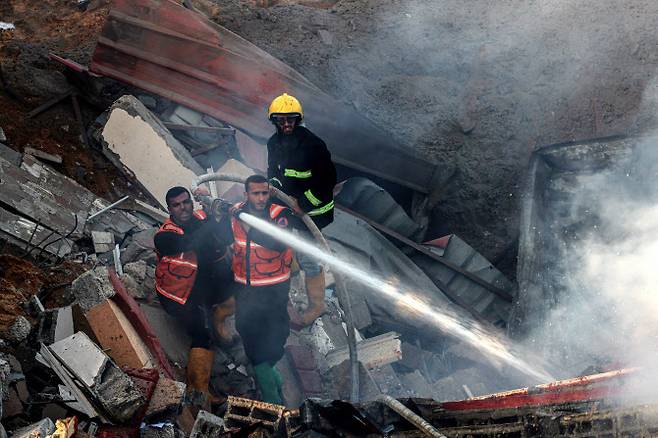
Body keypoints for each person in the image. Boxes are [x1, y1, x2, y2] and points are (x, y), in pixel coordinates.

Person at [153, 186, 233, 404]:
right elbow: (192, 242)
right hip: (177, 296)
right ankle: (198, 393)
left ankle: (219, 321)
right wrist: (211, 219)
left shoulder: (199, 217)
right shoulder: (165, 236)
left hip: (198, 283)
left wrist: (223, 216)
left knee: (237, 288)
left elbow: (224, 239)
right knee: (202, 334)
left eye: (186, 202)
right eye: (177, 205)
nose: (184, 208)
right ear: (169, 209)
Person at [221, 174, 295, 405]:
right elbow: (223, 234)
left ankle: (272, 379)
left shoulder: (279, 215)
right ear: (247, 194)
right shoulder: (236, 212)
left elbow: (277, 243)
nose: (261, 198)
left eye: (264, 193)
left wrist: (248, 225)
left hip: (275, 288)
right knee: (251, 337)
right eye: (255, 193)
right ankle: (273, 397)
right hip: (246, 288)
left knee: (277, 336)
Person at [266, 93, 337, 328]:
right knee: (280, 239)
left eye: (291, 120)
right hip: (287, 207)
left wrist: (303, 204)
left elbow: (328, 181)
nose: (286, 125)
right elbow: (273, 172)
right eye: (281, 120)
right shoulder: (273, 143)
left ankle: (317, 306)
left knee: (310, 259)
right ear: (274, 121)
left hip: (313, 213)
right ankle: (291, 266)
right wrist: (273, 188)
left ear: (298, 119)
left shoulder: (314, 146)